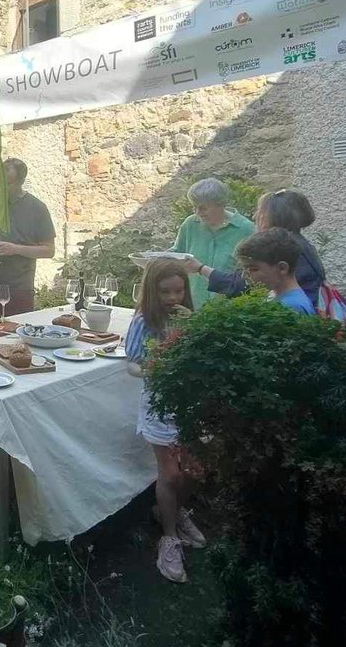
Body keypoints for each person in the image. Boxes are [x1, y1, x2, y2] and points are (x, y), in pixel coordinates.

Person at [125, 258, 206, 584]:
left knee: (195, 470)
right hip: (159, 404)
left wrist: (195, 330)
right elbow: (131, 363)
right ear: (151, 292)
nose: (173, 297)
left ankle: (171, 510)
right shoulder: (145, 321)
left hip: (190, 405)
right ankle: (169, 536)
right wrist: (151, 369)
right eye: (165, 291)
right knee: (170, 473)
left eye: (178, 289)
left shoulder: (191, 319)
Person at [186, 188, 324, 309]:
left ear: (270, 217)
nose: (255, 216)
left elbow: (241, 285)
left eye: (259, 211)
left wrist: (200, 268)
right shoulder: (299, 243)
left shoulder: (282, 248)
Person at [0, 158, 56, 320]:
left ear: (21, 182)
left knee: (16, 337)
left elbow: (49, 250)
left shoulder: (37, 208)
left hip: (19, 288)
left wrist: (16, 249)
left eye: (8, 184)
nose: (3, 188)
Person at [171, 178, 255, 310]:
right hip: (191, 308)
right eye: (194, 207)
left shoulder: (246, 230)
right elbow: (177, 254)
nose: (198, 212)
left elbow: (251, 276)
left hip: (229, 311)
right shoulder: (190, 224)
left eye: (203, 208)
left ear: (220, 204)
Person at [235, 229, 317, 315]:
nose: (244, 275)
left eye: (254, 269)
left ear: (282, 268)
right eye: (244, 269)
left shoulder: (291, 307)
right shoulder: (276, 296)